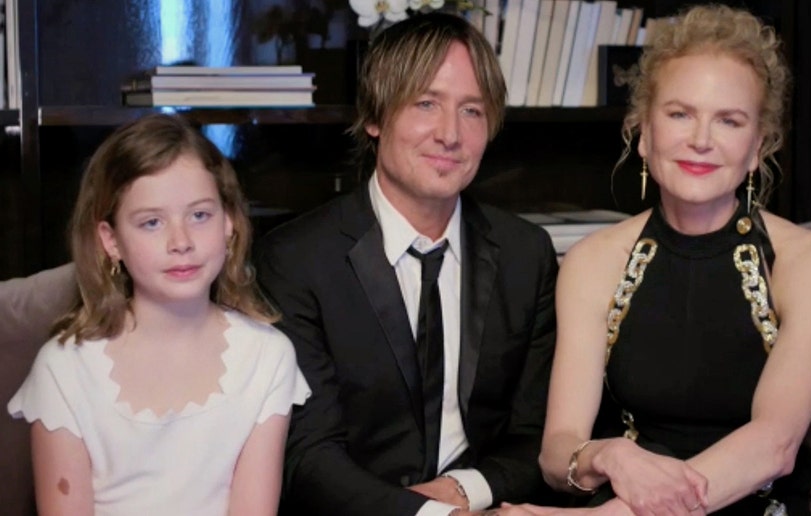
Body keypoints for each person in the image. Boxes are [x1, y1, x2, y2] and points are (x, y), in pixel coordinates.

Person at [506, 4, 811, 515]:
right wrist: (612, 456)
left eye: (729, 121)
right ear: (644, 132)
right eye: (680, 114)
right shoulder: (592, 261)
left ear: (757, 147)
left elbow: (774, 446)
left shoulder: (809, 261)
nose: (701, 141)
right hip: (620, 496)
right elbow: (558, 456)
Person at [254, 12, 559, 516]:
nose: (450, 134)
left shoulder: (526, 253)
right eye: (426, 104)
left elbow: (538, 435)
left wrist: (463, 493)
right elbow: (309, 455)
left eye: (472, 111)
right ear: (374, 117)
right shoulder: (295, 260)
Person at [7, 114, 310, 515]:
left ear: (230, 223)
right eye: (151, 222)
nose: (180, 241)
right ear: (110, 241)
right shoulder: (64, 369)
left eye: (200, 215)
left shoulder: (267, 357)